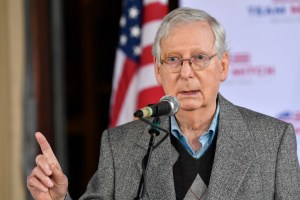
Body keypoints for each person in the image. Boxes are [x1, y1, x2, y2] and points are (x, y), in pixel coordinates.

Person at [27, 7, 300, 200]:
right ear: (158, 70)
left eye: (200, 58)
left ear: (223, 66)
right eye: (173, 60)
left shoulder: (273, 141)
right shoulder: (120, 146)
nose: (186, 72)